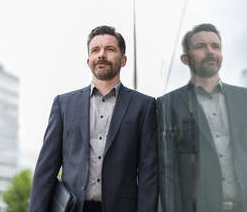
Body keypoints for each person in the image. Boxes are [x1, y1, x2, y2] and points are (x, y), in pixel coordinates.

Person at [29, 25, 158, 212]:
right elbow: (45, 169)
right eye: (95, 50)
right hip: (72, 207)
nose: (101, 54)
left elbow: (148, 174)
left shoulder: (144, 106)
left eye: (110, 49)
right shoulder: (63, 104)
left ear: (123, 60)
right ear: (88, 60)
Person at [157, 23, 247, 212]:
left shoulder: (244, 98)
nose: (210, 51)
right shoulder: (167, 104)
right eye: (200, 47)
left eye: (215, 46)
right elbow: (168, 171)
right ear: (186, 58)